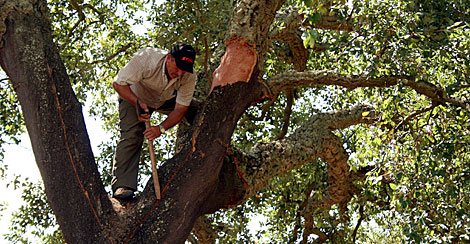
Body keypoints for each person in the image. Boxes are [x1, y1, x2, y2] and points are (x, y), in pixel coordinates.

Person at [111, 44, 197, 199]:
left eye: (184, 70)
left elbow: (180, 109)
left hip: (164, 100)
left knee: (199, 111)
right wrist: (137, 103)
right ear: (169, 58)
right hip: (134, 96)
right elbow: (118, 83)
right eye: (177, 68)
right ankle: (123, 186)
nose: (179, 73)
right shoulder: (147, 58)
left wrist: (161, 128)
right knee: (132, 134)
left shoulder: (189, 76)